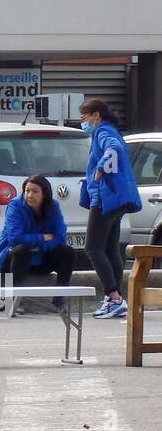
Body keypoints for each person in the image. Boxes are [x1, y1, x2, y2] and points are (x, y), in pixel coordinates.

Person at [79, 98, 141, 319]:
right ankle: (117, 299)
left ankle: (113, 297)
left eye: (84, 118)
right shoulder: (112, 131)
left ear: (96, 115)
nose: (83, 122)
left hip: (105, 198)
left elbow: (112, 150)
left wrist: (100, 169)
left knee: (93, 248)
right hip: (117, 198)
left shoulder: (103, 133)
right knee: (110, 248)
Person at [0, 174, 75, 309]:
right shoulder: (15, 206)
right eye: (27, 191)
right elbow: (15, 239)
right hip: (13, 260)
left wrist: (39, 247)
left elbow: (60, 238)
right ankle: (12, 303)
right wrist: (43, 238)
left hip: (40, 259)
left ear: (44, 194)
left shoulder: (53, 206)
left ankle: (58, 301)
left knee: (67, 252)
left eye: (35, 191)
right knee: (21, 250)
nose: (30, 195)